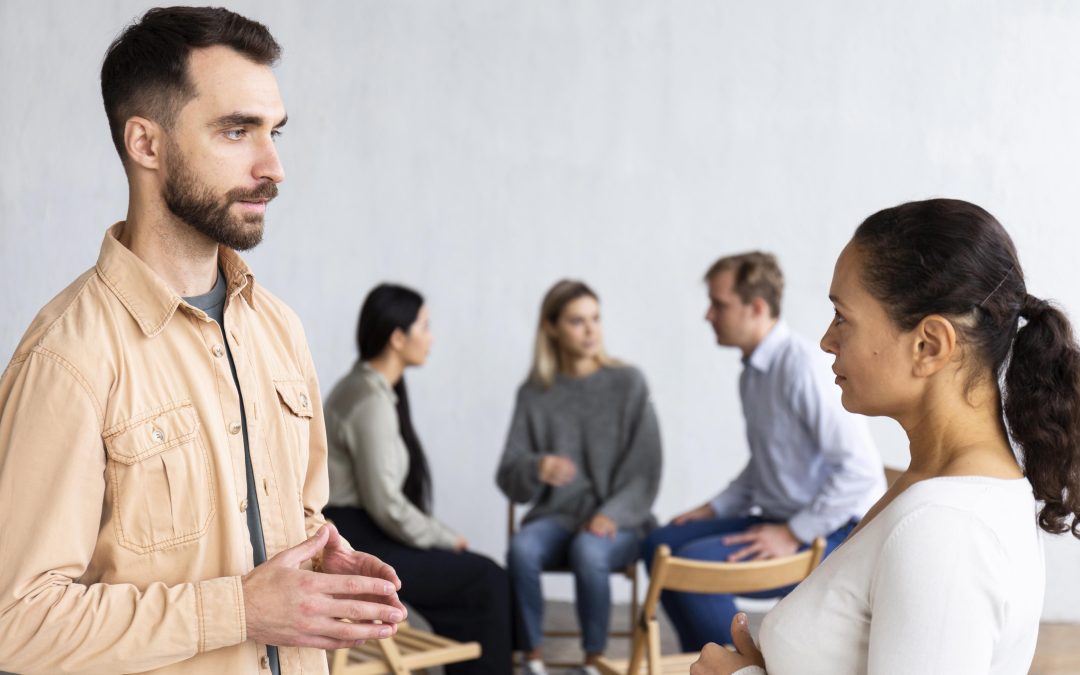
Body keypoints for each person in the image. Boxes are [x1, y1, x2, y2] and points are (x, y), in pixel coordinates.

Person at [0, 8, 405, 674]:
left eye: (274, 132)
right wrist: (239, 610)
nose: (273, 166)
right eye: (237, 131)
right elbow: (16, 623)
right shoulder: (66, 357)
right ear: (146, 144)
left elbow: (289, 526)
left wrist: (319, 562)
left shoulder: (280, 329)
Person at [693, 198, 1080, 674]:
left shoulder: (946, 529)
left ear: (928, 345)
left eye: (842, 317)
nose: (826, 340)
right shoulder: (929, 487)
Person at [642, 252, 885, 651]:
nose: (708, 315)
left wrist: (793, 533)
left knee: (691, 568)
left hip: (832, 530)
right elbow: (766, 465)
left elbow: (859, 471)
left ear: (756, 308)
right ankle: (706, 662)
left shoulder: (802, 367)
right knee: (658, 543)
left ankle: (742, 668)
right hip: (779, 517)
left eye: (718, 304)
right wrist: (713, 508)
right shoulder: (754, 374)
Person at [323, 283, 515, 674]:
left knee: (476, 581)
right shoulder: (369, 402)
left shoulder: (363, 387)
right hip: (360, 541)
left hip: (358, 532)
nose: (431, 337)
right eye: (424, 326)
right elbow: (387, 505)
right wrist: (445, 538)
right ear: (397, 337)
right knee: (487, 579)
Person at [497, 280, 663, 675]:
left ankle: (593, 661)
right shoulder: (534, 393)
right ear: (552, 327)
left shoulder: (628, 383)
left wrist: (614, 514)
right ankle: (532, 658)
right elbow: (509, 472)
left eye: (595, 319)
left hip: (618, 523)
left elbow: (646, 469)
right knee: (522, 549)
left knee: (589, 550)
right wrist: (536, 467)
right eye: (577, 321)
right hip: (557, 518)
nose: (591, 331)